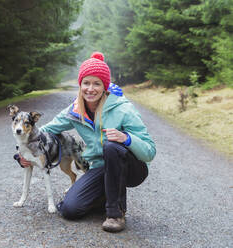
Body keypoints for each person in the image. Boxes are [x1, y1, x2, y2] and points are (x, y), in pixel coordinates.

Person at [17, 52, 156, 232]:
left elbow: (150, 151)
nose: (91, 89)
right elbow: (42, 132)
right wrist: (21, 153)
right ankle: (103, 196)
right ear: (80, 85)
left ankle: (115, 214)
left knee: (112, 146)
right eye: (86, 83)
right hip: (101, 168)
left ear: (104, 86)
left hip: (131, 168)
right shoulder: (75, 111)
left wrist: (127, 139)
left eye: (97, 83)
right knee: (70, 209)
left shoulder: (123, 109)